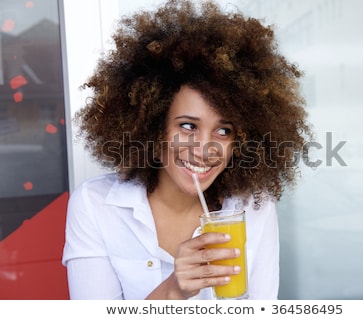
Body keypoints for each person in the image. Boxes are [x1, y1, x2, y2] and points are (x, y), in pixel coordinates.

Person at [62, 0, 311, 300]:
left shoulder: (253, 207)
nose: (204, 150)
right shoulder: (95, 206)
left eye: (223, 131)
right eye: (188, 126)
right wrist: (173, 290)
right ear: (154, 127)